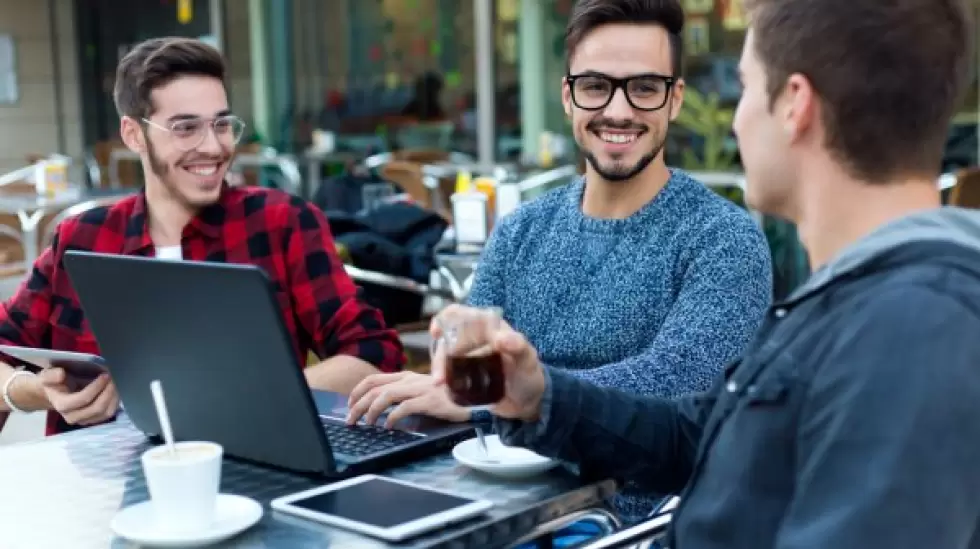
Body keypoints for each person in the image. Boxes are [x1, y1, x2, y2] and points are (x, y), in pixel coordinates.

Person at [427, 0, 980, 546]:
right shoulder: (852, 301)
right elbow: (699, 433)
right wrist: (537, 395)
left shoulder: (912, 331)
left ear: (794, 106)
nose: (736, 121)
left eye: (743, 89)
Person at [347, 0, 773, 522]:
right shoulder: (523, 229)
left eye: (644, 87)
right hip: (486, 507)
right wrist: (448, 367)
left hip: (623, 523)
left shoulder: (724, 240)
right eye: (596, 86)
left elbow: (677, 388)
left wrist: (491, 398)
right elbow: (466, 364)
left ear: (675, 99)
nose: (619, 111)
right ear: (568, 96)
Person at [0, 38, 404, 437]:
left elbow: (372, 353)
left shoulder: (281, 222)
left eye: (222, 124)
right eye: (186, 127)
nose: (212, 146)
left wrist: (255, 399)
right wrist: (32, 392)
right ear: (133, 134)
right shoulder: (83, 237)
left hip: (252, 471)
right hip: (99, 487)